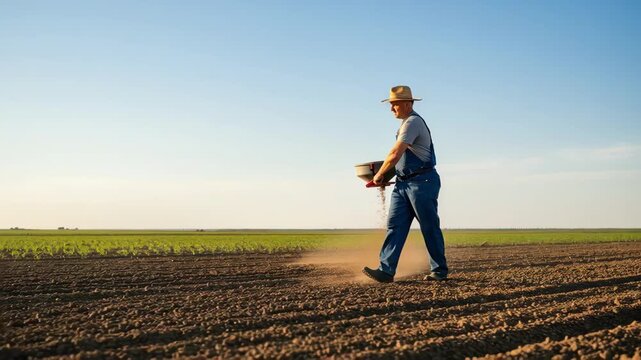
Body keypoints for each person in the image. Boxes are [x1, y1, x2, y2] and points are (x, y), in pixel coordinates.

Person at [363, 85, 449, 283]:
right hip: (403, 184)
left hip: (422, 182)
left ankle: (439, 270)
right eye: (391, 105)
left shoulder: (413, 122)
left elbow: (395, 153)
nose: (392, 108)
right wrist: (386, 174)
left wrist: (379, 175)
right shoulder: (404, 125)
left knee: (429, 226)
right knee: (395, 226)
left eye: (395, 104)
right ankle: (386, 270)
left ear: (408, 103)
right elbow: (399, 158)